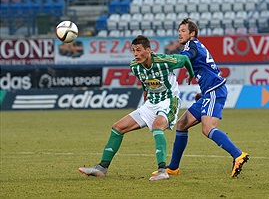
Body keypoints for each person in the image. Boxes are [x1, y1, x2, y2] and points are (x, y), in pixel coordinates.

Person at [78, 35, 194, 181]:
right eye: (133, 50)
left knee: (157, 126)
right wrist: (145, 92)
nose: (135, 54)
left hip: (169, 101)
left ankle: (162, 171)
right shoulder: (135, 66)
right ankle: (101, 168)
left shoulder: (164, 61)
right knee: (118, 127)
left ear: (149, 50)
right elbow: (145, 81)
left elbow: (185, 59)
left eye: (139, 50)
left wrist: (191, 74)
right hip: (151, 103)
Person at [153, 18, 249, 178]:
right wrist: (192, 74)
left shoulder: (192, 44)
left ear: (192, 33)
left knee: (208, 128)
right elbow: (190, 62)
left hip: (214, 91)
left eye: (183, 31)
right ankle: (173, 168)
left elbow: (181, 60)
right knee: (182, 124)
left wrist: (158, 58)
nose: (179, 33)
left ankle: (238, 155)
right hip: (208, 93)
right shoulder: (196, 45)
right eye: (179, 30)